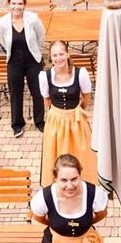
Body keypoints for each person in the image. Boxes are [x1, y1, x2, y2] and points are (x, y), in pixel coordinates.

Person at [39, 41, 96, 187]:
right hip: (56, 121)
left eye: (61, 54)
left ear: (67, 54)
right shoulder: (45, 77)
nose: (58, 58)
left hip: (75, 120)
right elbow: (46, 100)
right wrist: (56, 114)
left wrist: (76, 110)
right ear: (51, 58)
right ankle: (58, 184)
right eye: (55, 55)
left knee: (81, 152)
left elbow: (86, 96)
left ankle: (82, 182)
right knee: (55, 153)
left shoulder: (80, 73)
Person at [0, 0, 46, 138]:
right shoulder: (2, 22)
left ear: (24, 4)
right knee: (15, 93)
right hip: (14, 61)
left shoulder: (33, 18)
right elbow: (2, 41)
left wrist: (35, 50)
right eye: (13, 3)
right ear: (8, 4)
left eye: (20, 3)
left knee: (37, 92)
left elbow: (41, 36)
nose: (16, 7)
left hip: (32, 59)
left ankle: (39, 121)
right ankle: (17, 124)